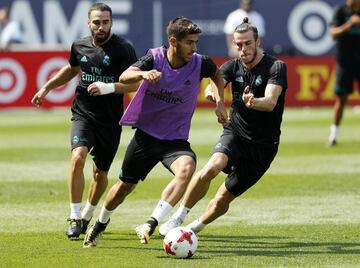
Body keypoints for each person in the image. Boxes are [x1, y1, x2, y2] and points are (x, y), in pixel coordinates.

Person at [82, 16, 228, 248]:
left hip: (175, 141)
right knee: (123, 188)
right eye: (189, 42)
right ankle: (99, 224)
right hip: (146, 138)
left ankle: (151, 223)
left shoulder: (201, 63)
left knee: (187, 168)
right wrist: (143, 74)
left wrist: (220, 101)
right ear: (173, 41)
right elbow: (124, 76)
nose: (194, 48)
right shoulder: (154, 58)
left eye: (196, 42)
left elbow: (218, 74)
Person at [159, 17, 287, 236]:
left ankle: (191, 230)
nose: (243, 49)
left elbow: (270, 102)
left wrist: (252, 102)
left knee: (222, 197)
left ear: (257, 42)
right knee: (211, 167)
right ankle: (178, 217)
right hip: (235, 132)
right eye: (238, 44)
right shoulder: (232, 65)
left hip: (263, 147)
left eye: (247, 43)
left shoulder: (276, 67)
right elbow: (215, 84)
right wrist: (213, 95)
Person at [31, 3, 138, 239]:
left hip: (110, 121)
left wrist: (108, 87)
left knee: (100, 174)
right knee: (77, 156)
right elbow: (72, 69)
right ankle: (74, 215)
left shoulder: (123, 49)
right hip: (83, 114)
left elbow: (135, 83)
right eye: (97, 22)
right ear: (89, 23)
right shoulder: (79, 46)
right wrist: (46, 87)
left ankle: (87, 215)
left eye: (106, 22)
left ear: (111, 22)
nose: (101, 26)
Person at [326, 0, 360, 147]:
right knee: (341, 100)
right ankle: (333, 137)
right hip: (344, 63)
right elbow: (332, 34)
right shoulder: (340, 11)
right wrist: (349, 25)